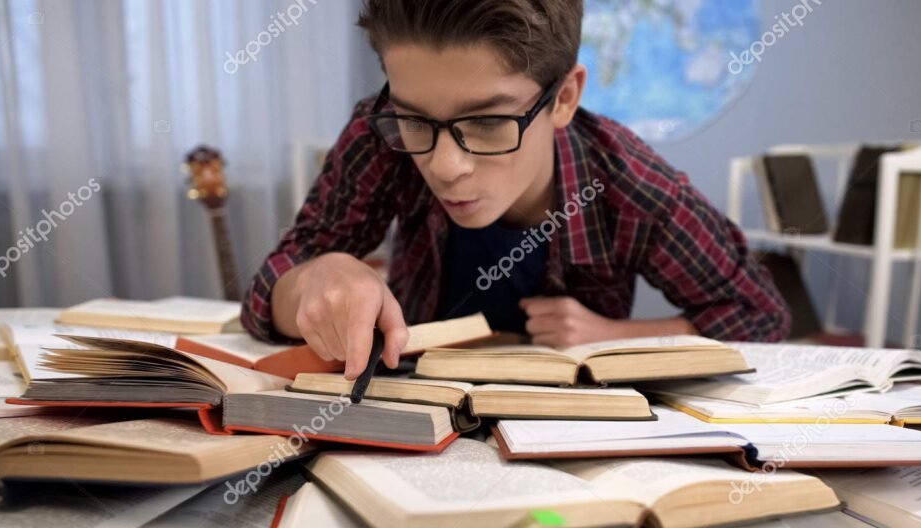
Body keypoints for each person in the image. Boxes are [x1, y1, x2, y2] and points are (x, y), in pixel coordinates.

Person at [242, 0, 790, 380]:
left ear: (564, 98)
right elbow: (272, 287)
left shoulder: (632, 182)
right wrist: (314, 278)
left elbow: (760, 314)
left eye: (486, 122)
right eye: (414, 119)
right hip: (411, 406)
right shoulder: (378, 132)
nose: (446, 165)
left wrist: (617, 336)